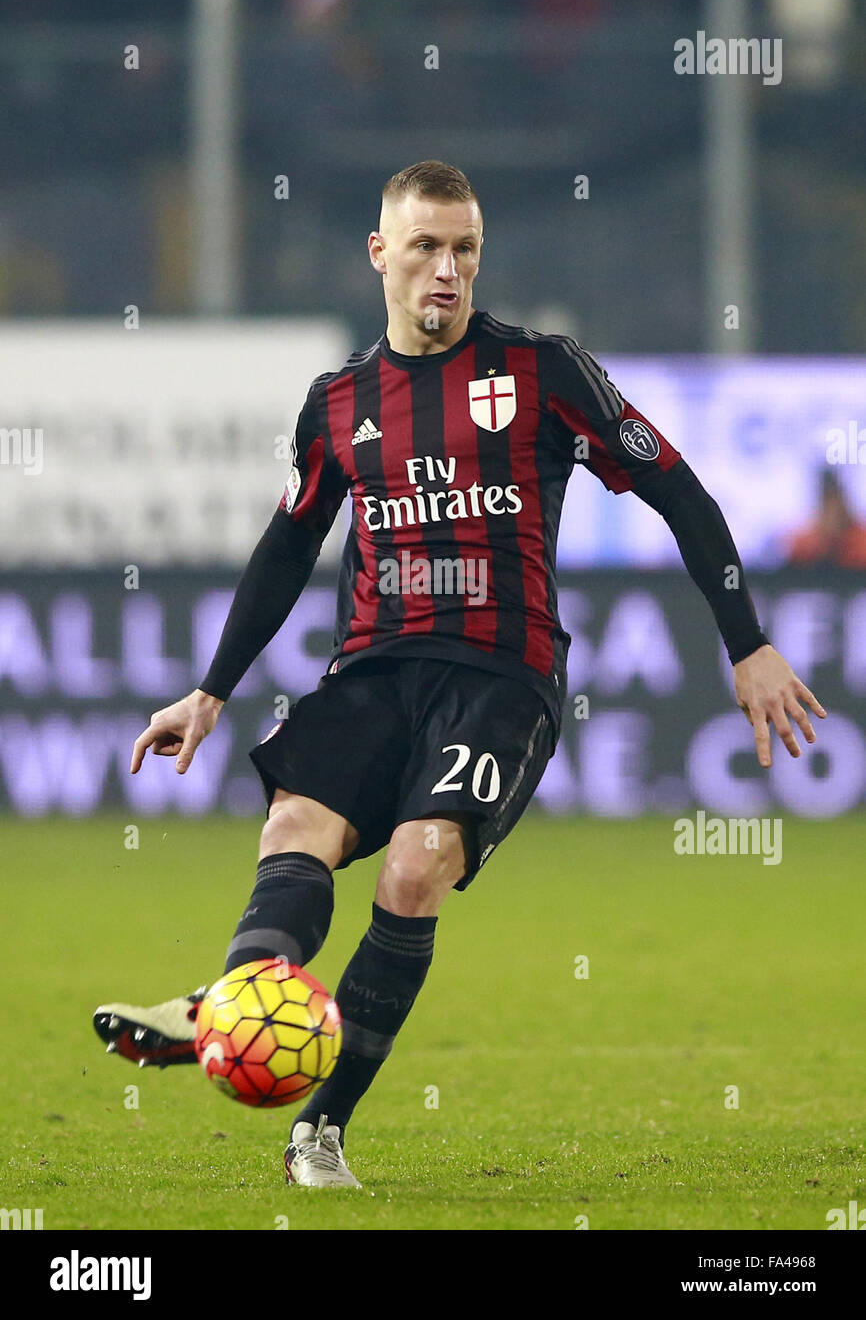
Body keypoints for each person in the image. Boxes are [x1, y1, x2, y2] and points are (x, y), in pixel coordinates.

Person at [93, 160, 826, 1188]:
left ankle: (320, 1127)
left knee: (415, 862)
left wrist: (744, 640)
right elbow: (285, 547)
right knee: (292, 829)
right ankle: (227, 1007)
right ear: (379, 253)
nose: (448, 269)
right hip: (372, 670)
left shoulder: (543, 371)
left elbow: (677, 489)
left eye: (466, 249)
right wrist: (209, 690)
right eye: (427, 246)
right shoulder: (339, 400)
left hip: (499, 675)